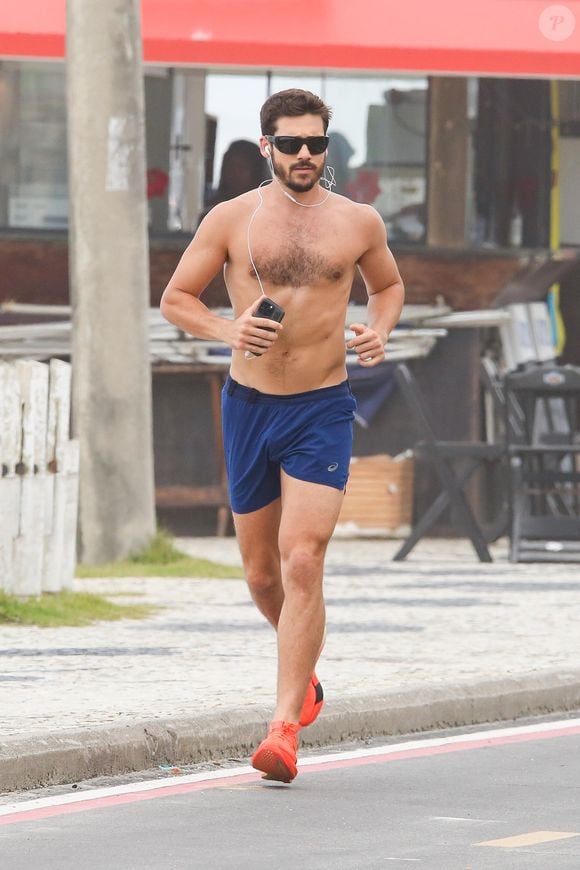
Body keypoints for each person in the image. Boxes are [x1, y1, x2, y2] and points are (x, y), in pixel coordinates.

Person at [160, 88, 405, 783]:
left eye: (316, 144)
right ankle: (308, 681)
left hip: (321, 407)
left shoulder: (357, 222)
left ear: (327, 148)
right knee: (262, 574)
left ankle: (282, 727)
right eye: (291, 143)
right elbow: (177, 298)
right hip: (249, 405)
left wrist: (379, 331)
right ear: (267, 146)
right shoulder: (232, 220)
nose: (305, 155)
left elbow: (387, 287)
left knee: (303, 560)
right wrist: (225, 328)